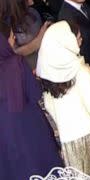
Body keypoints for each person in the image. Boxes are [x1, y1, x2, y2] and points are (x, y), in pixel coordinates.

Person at [36, 21, 90, 176]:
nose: (81, 40)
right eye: (78, 38)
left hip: (70, 140)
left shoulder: (48, 75)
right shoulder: (80, 72)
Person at [0, 23, 64, 179]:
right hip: (28, 123)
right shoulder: (17, 63)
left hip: (4, 130)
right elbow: (35, 94)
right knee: (40, 165)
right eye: (10, 36)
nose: (13, 38)